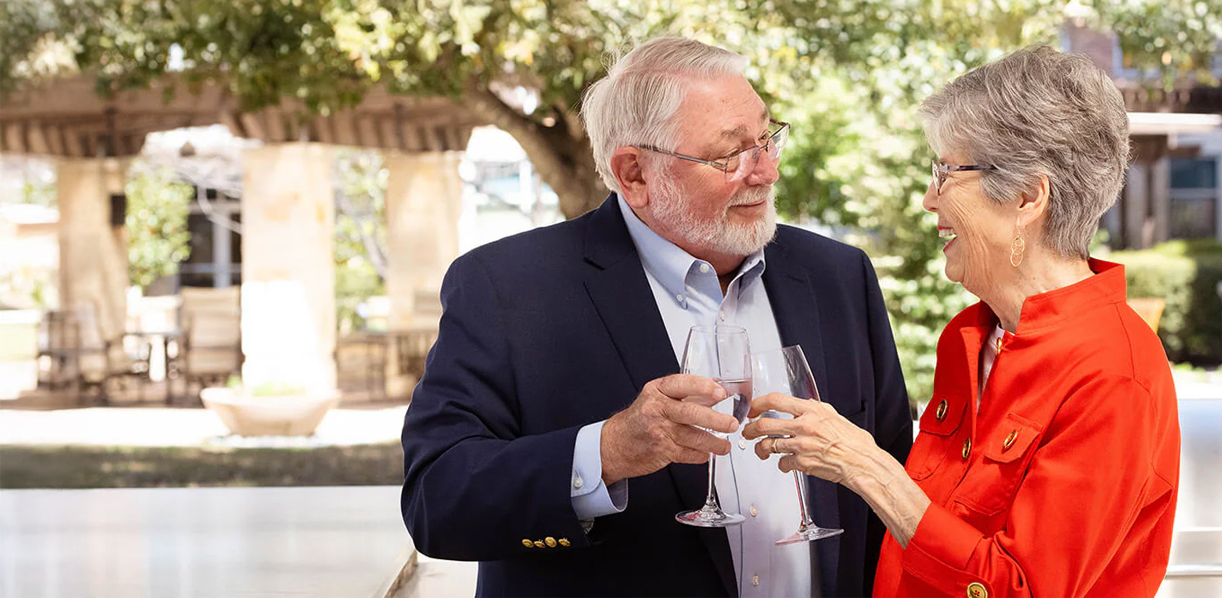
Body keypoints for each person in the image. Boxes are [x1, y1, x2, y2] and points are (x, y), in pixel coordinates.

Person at [400, 37, 914, 598]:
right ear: (635, 174)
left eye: (767, 139)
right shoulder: (507, 287)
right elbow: (438, 501)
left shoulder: (838, 275)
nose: (765, 171)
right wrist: (608, 450)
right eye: (731, 155)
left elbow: (893, 480)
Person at [743, 45, 1181, 598]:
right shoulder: (969, 337)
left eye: (946, 172)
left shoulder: (1115, 373)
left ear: (1027, 196)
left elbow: (1020, 589)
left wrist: (869, 469)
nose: (930, 199)